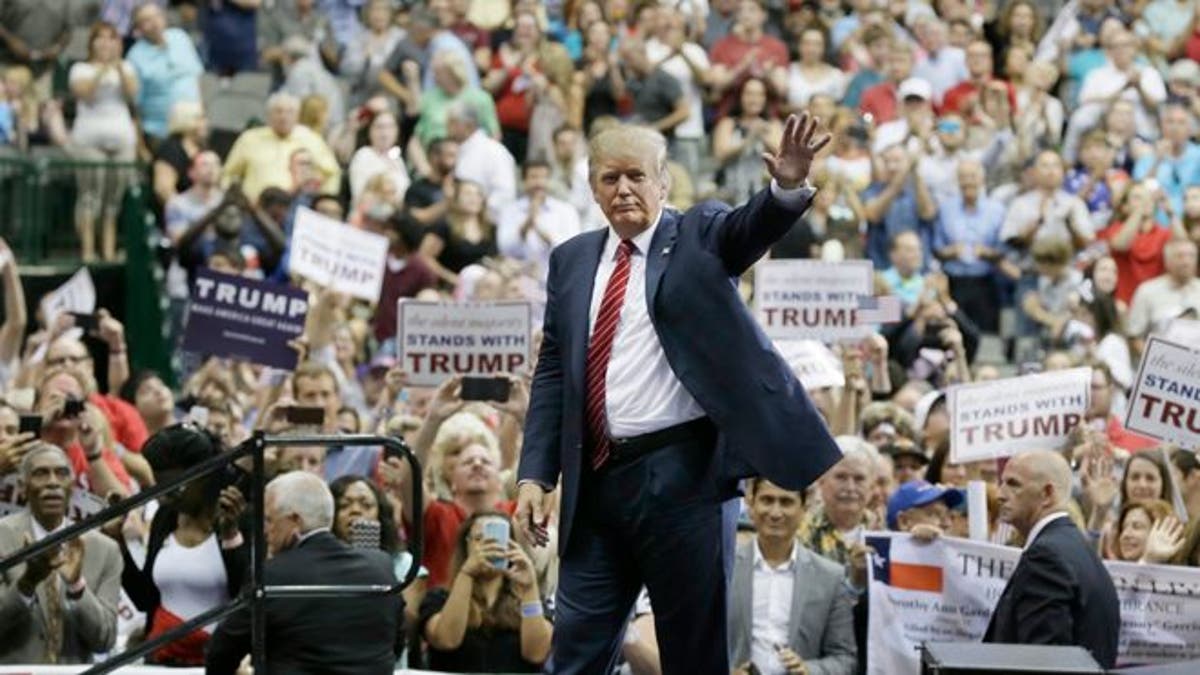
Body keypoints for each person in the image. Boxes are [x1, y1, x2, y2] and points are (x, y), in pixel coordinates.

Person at [516, 115, 840, 673]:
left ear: (663, 183)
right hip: (592, 483)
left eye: (636, 176)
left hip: (683, 478)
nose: (623, 189)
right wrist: (534, 474)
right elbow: (552, 371)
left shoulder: (699, 232)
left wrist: (785, 189)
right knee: (575, 653)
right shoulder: (569, 260)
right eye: (610, 178)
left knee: (693, 655)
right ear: (593, 189)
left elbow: (749, 229)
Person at [206, 471, 403, 674]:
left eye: (269, 520)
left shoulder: (273, 576)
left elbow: (222, 652)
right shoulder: (382, 566)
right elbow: (395, 645)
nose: (264, 530)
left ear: (294, 521)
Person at [118, 425, 247, 666]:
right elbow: (145, 599)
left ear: (205, 475)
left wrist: (231, 536)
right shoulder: (165, 517)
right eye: (161, 486)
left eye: (176, 486)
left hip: (221, 662)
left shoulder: (240, 516)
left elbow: (249, 596)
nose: (167, 496)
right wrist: (120, 546)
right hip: (163, 660)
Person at [984, 450, 1119, 669]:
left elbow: (1044, 663)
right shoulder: (1074, 546)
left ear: (1047, 494)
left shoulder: (1047, 557)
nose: (1000, 494)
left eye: (1013, 484)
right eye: (1002, 482)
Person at [0, 443, 121, 664]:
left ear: (72, 486)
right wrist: (27, 583)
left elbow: (105, 639)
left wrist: (76, 587)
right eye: (40, 474)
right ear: (22, 486)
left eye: (61, 473)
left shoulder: (104, 549)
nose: (53, 482)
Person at [728, 478, 856, 675]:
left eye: (786, 502)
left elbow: (845, 659)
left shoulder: (830, 577)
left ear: (804, 508)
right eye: (767, 500)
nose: (775, 512)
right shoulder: (726, 570)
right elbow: (699, 646)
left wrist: (810, 670)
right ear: (751, 503)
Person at [420, 512, 552, 671]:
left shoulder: (531, 600)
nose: (490, 547)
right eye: (479, 539)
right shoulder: (439, 598)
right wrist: (466, 574)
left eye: (499, 540)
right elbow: (446, 640)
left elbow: (536, 654)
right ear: (466, 544)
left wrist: (529, 588)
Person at [67, 21, 139, 263]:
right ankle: (88, 251)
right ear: (92, 42)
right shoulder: (80, 68)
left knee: (113, 200)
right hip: (89, 140)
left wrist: (117, 66)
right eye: (100, 37)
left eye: (111, 38)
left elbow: (132, 95)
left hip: (122, 139)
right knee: (90, 197)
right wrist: (102, 68)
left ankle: (108, 251)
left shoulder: (126, 67)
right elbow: (85, 93)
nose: (106, 43)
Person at [222, 93, 341, 202]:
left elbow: (333, 173)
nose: (284, 117)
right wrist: (237, 200)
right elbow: (228, 175)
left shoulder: (312, 139)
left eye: (290, 112)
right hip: (254, 208)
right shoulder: (250, 138)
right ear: (269, 115)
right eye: (278, 111)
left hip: (298, 206)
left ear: (297, 116)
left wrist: (323, 201)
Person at [125, 3, 204, 142]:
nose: (155, 22)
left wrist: (203, 113)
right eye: (147, 20)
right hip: (161, 132)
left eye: (157, 16)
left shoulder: (180, 37)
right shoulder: (134, 57)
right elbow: (135, 104)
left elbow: (197, 78)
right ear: (137, 29)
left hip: (195, 127)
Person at [497, 159, 581, 277]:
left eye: (543, 177)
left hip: (559, 275)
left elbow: (574, 248)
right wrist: (527, 224)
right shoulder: (510, 211)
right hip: (520, 278)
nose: (539, 183)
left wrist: (544, 234)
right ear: (524, 181)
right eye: (533, 177)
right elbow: (504, 248)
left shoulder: (566, 210)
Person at [448, 101, 518, 222]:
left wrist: (479, 216)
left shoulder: (494, 151)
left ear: (468, 125)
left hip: (488, 225)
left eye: (452, 123)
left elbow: (505, 194)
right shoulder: (457, 150)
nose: (447, 128)